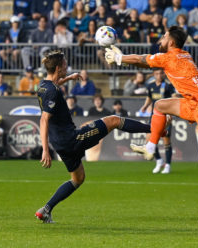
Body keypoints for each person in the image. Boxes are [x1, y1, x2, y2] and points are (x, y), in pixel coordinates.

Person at [105, 26, 198, 211]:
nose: (159, 40)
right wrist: (122, 57)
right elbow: (143, 61)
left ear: (171, 42)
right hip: (193, 103)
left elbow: (141, 59)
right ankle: (151, 147)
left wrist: (119, 58)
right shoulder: (184, 55)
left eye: (163, 37)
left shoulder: (170, 57)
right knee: (160, 105)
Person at [35, 50, 153, 222]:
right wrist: (44, 150)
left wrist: (68, 79)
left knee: (78, 178)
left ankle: (45, 210)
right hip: (70, 139)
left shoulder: (43, 85)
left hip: (60, 142)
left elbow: (54, 85)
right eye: (66, 64)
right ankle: (152, 128)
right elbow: (44, 119)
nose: (68, 66)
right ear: (59, 68)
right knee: (113, 120)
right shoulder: (52, 91)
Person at [140, 68, 176, 174]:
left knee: (166, 141)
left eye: (161, 73)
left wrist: (172, 112)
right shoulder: (150, 85)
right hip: (154, 116)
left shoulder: (168, 85)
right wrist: (145, 106)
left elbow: (174, 99)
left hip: (166, 117)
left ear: (163, 74)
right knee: (149, 140)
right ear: (153, 74)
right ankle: (159, 161)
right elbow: (149, 98)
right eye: (156, 74)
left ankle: (168, 165)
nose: (159, 75)